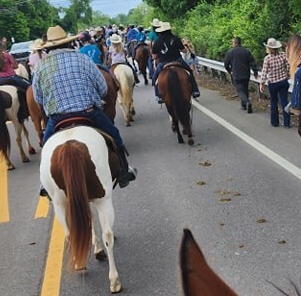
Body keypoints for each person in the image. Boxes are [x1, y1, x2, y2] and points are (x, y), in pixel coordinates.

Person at [32, 25, 136, 189]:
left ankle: (43, 184)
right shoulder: (83, 59)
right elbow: (103, 88)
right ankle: (124, 169)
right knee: (115, 135)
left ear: (49, 48)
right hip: (88, 113)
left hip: (57, 118)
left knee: (46, 148)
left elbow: (38, 98)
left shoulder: (40, 67)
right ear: (68, 44)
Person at [151, 21, 201, 101]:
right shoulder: (175, 38)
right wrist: (184, 46)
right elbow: (184, 51)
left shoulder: (157, 42)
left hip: (163, 62)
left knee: (155, 78)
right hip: (177, 60)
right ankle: (195, 91)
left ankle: (159, 96)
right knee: (190, 72)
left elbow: (154, 57)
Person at [258, 38, 291, 127]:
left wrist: (262, 83)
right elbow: (288, 66)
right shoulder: (283, 55)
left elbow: (264, 72)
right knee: (284, 101)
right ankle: (287, 123)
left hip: (273, 83)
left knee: (273, 102)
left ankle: (275, 122)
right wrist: (287, 75)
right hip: (283, 81)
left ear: (268, 48)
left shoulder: (267, 59)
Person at [224, 36, 259, 113]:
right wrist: (255, 72)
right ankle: (243, 105)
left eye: (233, 42)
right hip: (246, 73)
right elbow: (252, 62)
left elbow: (226, 64)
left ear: (235, 43)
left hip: (236, 74)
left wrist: (230, 71)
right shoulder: (246, 51)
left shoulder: (230, 52)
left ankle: (247, 102)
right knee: (245, 88)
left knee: (240, 90)